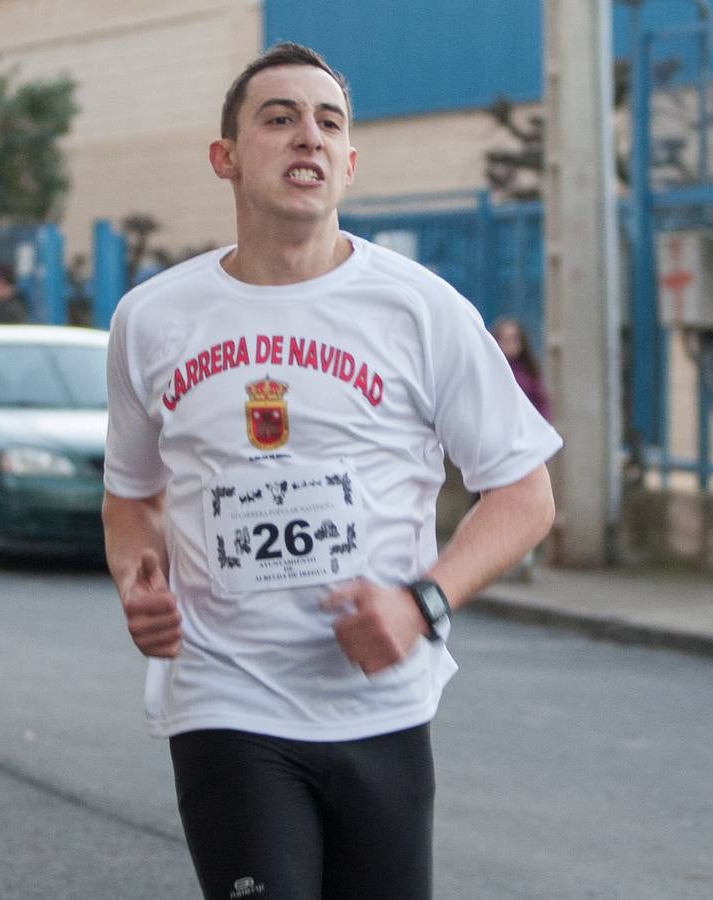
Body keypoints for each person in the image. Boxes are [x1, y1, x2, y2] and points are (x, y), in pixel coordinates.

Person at [101, 43, 562, 899]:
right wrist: (138, 579)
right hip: (224, 699)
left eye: (328, 122)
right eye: (278, 118)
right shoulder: (153, 320)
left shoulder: (422, 311)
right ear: (225, 157)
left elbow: (525, 495)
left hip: (380, 705)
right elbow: (130, 494)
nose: (306, 136)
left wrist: (421, 603)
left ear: (348, 163)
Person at [491, 315, 551, 421]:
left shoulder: (529, 370)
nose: (510, 344)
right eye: (506, 339)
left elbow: (541, 404)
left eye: (515, 339)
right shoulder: (492, 370)